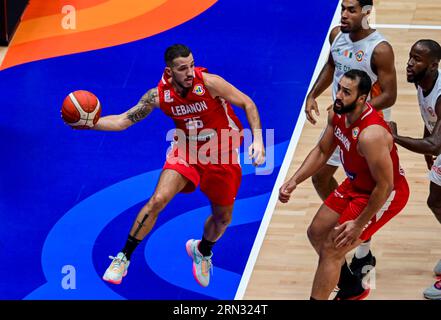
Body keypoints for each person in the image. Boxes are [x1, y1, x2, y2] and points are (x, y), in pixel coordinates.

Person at [89, 44, 266, 287]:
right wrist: (91, 123)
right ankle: (124, 257)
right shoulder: (159, 96)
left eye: (192, 65)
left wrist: (258, 139)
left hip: (222, 153)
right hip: (186, 150)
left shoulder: (210, 83)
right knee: (158, 200)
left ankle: (202, 250)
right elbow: (122, 121)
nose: (190, 72)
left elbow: (248, 103)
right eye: (183, 68)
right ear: (169, 72)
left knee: (222, 218)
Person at [280, 69, 409, 300]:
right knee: (316, 233)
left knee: (332, 249)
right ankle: (351, 287)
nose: (338, 95)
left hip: (383, 194)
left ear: (362, 98)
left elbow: (385, 186)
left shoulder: (371, 135)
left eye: (346, 92)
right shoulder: (336, 114)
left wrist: (358, 224)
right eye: (339, 88)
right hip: (355, 184)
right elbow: (322, 151)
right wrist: (294, 181)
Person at [304, 0, 397, 276]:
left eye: (351, 10)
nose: (344, 14)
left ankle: (363, 247)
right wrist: (312, 94)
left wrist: (357, 111)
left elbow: (390, 94)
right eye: (343, 8)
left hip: (368, 128)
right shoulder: (336, 35)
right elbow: (332, 65)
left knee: (369, 186)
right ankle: (349, 222)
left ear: (366, 12)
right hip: (342, 122)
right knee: (320, 177)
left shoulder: (380, 49)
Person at [388, 39, 441, 300]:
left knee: (437, 201)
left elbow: (435, 141)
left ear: (433, 65)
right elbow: (430, 123)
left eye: (416, 60)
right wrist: (430, 156)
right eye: (410, 57)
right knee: (437, 202)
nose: (409, 64)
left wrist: (394, 138)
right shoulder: (423, 82)